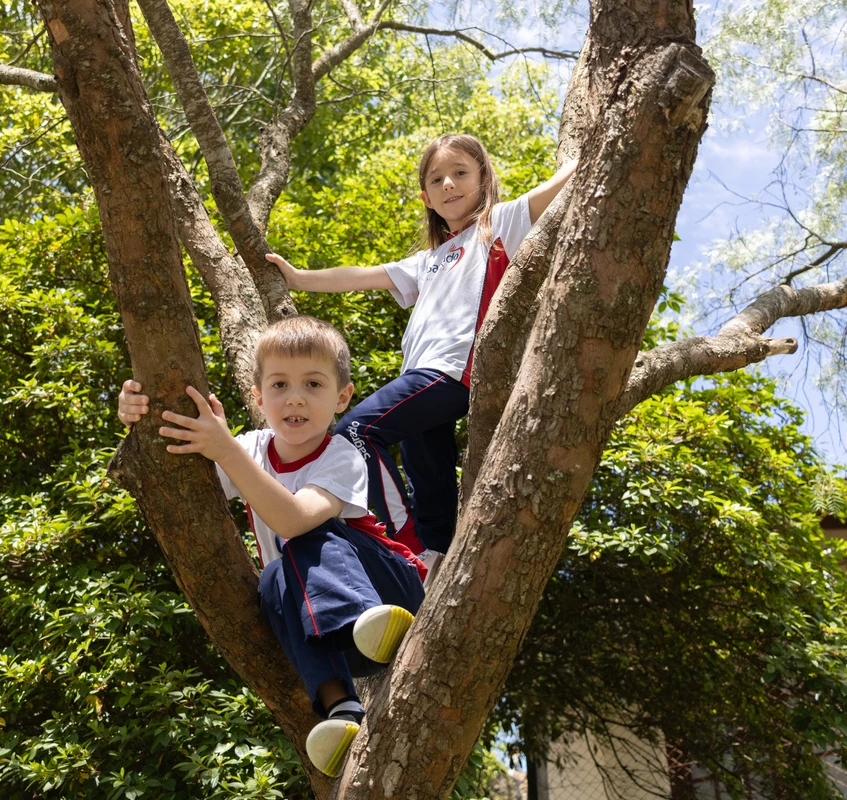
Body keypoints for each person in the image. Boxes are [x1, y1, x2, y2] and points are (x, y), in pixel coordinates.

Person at [116, 316, 426, 777]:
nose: (295, 397)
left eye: (313, 384)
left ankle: (359, 617)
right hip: (337, 636)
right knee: (273, 578)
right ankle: (340, 709)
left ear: (342, 397)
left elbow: (294, 517)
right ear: (259, 399)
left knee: (302, 535)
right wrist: (137, 415)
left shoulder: (341, 454)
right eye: (279, 384)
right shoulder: (251, 449)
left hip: (389, 600)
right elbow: (170, 481)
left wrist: (225, 451)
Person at [267, 134, 578, 571]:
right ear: (426, 197)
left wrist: (580, 157)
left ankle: (400, 551)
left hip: (451, 372)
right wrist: (298, 278)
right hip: (421, 379)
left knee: (354, 432)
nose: (449, 184)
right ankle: (437, 563)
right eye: (437, 179)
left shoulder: (499, 224)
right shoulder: (429, 260)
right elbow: (360, 276)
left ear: (484, 180)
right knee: (429, 488)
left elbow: (554, 192)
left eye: (461, 173)